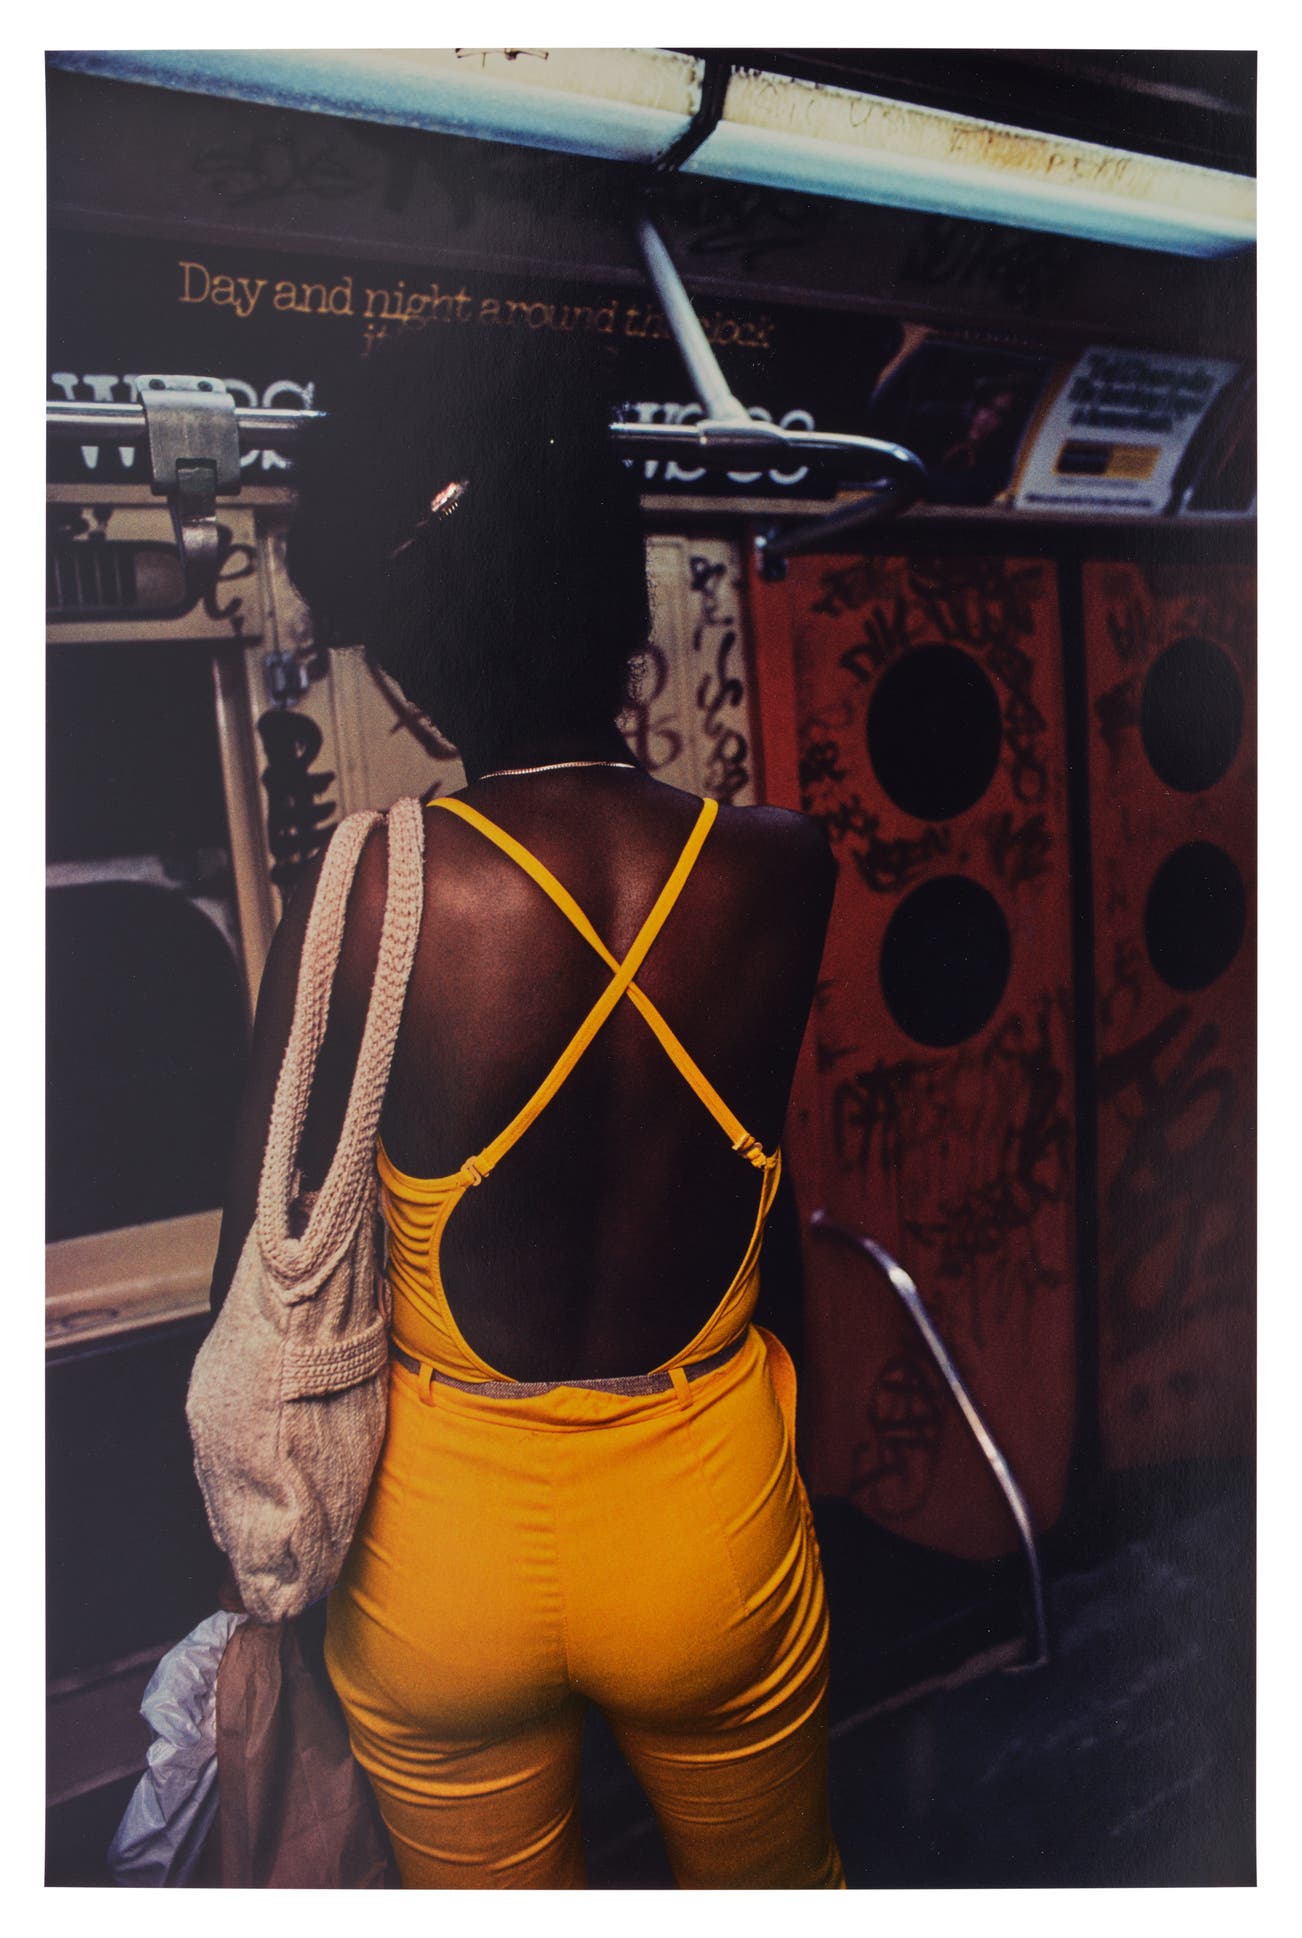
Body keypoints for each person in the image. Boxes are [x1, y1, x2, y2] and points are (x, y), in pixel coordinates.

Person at [208, 327, 842, 1889]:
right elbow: (761, 1195)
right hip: (710, 1514)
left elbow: (260, 1250)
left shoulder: (367, 888)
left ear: (425, 651)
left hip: (441, 1562)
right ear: (623, 613)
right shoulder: (779, 867)